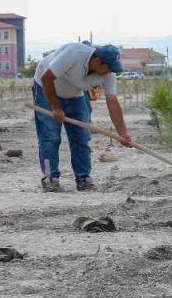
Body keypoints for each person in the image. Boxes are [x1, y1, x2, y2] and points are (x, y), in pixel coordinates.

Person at [32, 42, 133, 192]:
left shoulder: (108, 73)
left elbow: (112, 102)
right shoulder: (73, 53)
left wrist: (122, 132)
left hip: (74, 94)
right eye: (109, 68)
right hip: (46, 88)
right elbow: (47, 78)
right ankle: (49, 177)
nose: (110, 72)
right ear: (98, 61)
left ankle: (83, 178)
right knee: (50, 137)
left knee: (81, 137)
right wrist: (56, 108)